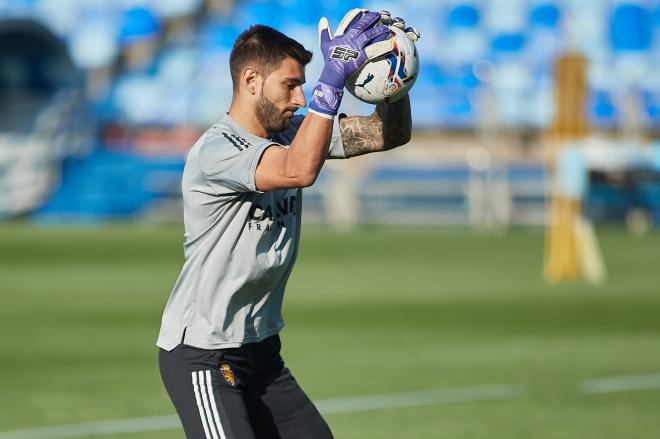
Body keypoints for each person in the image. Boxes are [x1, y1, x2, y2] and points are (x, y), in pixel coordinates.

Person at [157, 9, 419, 439]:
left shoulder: (290, 131)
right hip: (204, 353)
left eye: (303, 85)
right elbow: (298, 170)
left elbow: (388, 134)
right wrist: (330, 84)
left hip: (261, 353)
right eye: (290, 84)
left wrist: (393, 73)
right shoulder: (217, 150)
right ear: (250, 81)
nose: (300, 98)